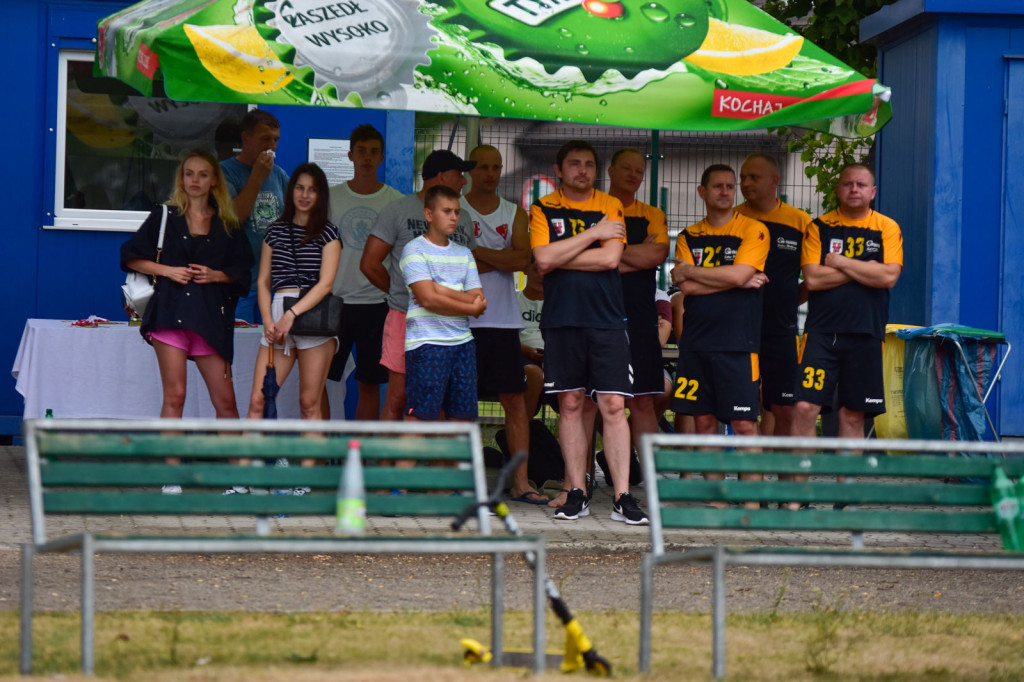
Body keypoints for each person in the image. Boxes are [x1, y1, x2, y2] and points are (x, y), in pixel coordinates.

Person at [530, 139, 648, 525]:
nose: (582, 170)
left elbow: (611, 258)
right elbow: (542, 259)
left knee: (613, 405)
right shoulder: (543, 207)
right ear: (559, 170)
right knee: (570, 404)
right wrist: (593, 233)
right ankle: (577, 492)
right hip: (562, 319)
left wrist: (561, 254)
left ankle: (622, 497)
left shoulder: (610, 204)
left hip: (607, 320)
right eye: (574, 163)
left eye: (589, 164)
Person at [121, 149, 254, 493]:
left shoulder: (227, 223)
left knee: (225, 400)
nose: (195, 180)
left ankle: (239, 478)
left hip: (210, 318)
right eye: (189, 173)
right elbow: (130, 256)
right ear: (181, 178)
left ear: (214, 181)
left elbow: (243, 272)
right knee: (175, 395)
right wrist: (167, 270)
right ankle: (171, 477)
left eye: (203, 174)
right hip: (170, 313)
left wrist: (216, 275)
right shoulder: (165, 215)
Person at [670, 164, 769, 505]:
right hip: (697, 343)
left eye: (730, 186)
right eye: (717, 186)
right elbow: (685, 288)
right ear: (702, 192)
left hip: (739, 344)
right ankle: (717, 499)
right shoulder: (688, 236)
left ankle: (752, 501)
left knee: (744, 423)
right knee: (704, 422)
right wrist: (734, 279)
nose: (725, 192)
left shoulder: (753, 229)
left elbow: (734, 276)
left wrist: (697, 273)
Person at [360, 150, 478, 421]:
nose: (464, 181)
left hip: (451, 325)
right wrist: (403, 292)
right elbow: (369, 263)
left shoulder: (462, 218)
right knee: (399, 397)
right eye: (459, 175)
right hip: (406, 318)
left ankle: (434, 452)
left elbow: (470, 266)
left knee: (444, 402)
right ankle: (388, 452)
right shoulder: (398, 211)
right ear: (441, 176)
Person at [791, 164, 903, 443]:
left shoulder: (886, 227)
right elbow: (813, 279)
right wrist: (867, 268)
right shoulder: (819, 227)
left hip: (866, 334)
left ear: (872, 192)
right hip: (821, 334)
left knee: (852, 416)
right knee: (804, 408)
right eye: (848, 184)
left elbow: (888, 277)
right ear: (838, 189)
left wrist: (841, 262)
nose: (854, 189)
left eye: (861, 185)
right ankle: (802, 474)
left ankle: (846, 476)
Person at [462, 145, 541, 503]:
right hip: (463, 321)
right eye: (483, 167)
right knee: (461, 402)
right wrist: (502, 257)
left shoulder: (514, 212)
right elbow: (456, 261)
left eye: (496, 167)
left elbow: (523, 259)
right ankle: (464, 480)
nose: (491, 174)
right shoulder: (456, 210)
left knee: (514, 400)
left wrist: (476, 252)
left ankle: (521, 482)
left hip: (504, 323)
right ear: (470, 171)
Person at [246, 163, 341, 427]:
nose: (305, 195)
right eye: (299, 188)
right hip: (278, 313)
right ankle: (247, 455)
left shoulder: (329, 232)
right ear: (291, 191)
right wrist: (268, 319)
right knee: (258, 400)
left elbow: (325, 284)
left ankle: (311, 456)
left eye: (312, 189)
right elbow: (263, 281)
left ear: (320, 195)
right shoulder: (274, 230)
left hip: (313, 315)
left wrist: (292, 314)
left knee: (310, 404)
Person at [324, 124, 404, 420]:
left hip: (377, 305)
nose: (367, 158)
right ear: (350, 155)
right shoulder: (330, 198)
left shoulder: (395, 201)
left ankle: (363, 444)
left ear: (382, 157)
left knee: (369, 384)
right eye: (361, 151)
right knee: (321, 381)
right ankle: (323, 444)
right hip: (335, 301)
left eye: (373, 152)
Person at [737, 153, 813, 439]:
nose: (746, 183)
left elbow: (813, 276)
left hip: (781, 330)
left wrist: (791, 300)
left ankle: (779, 465)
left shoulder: (799, 221)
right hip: (738, 329)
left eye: (753, 177)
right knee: (742, 407)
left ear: (774, 182)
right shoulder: (734, 218)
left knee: (784, 407)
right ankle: (751, 465)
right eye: (743, 177)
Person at [400, 186, 486, 422]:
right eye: (447, 211)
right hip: (427, 344)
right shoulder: (413, 249)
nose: (454, 217)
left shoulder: (464, 253)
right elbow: (428, 300)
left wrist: (438, 289)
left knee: (462, 420)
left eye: (457, 212)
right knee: (420, 418)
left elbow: (478, 298)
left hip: (463, 344)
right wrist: (469, 307)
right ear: (428, 214)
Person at [606, 148, 671, 459]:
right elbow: (583, 261)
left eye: (639, 171)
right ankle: (585, 478)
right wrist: (636, 254)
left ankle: (650, 479)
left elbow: (656, 254)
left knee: (642, 401)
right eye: (627, 169)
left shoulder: (652, 215)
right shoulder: (595, 210)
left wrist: (608, 256)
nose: (634, 175)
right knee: (596, 402)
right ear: (610, 171)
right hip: (600, 316)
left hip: (641, 319)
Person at [220, 110, 289, 323]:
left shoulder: (279, 175)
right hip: (241, 284)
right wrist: (257, 177)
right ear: (246, 138)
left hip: (275, 284)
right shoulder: (225, 172)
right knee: (241, 340)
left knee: (272, 342)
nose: (271, 146)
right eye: (265, 139)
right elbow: (233, 218)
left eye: (276, 139)